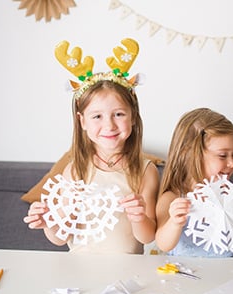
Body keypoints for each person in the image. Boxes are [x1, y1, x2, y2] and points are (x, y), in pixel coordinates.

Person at [23, 39, 158, 254]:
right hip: (80, 269)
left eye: (119, 114)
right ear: (82, 121)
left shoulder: (145, 170)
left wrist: (139, 216)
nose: (109, 125)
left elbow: (148, 236)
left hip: (126, 271)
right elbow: (60, 237)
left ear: (133, 117)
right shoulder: (76, 170)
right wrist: (48, 221)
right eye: (97, 116)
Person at [155, 108, 233, 257]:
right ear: (189, 154)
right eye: (222, 155)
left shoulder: (231, 194)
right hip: (187, 274)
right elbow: (163, 244)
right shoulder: (173, 197)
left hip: (231, 272)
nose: (232, 163)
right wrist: (174, 223)